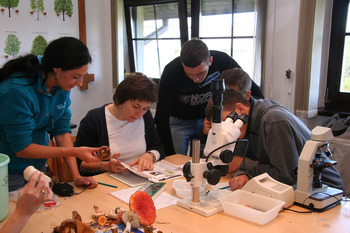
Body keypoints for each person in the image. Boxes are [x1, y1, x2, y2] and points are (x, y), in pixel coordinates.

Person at [0, 37, 101, 192]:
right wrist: (75, 151)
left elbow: (61, 130)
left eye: (82, 76)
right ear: (57, 69)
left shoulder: (60, 86)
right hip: (10, 171)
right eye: (76, 77)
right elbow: (22, 148)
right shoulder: (16, 91)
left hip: (38, 166)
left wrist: (76, 176)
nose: (80, 83)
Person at [205, 89, 344, 191]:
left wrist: (242, 164)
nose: (225, 129)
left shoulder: (273, 121)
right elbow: (241, 162)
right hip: (289, 190)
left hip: (323, 192)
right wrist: (242, 175)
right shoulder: (242, 126)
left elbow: (286, 177)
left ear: (239, 108)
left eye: (225, 121)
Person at [154, 39, 263, 156]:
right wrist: (168, 153)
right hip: (179, 121)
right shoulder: (171, 71)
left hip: (206, 119)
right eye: (189, 74)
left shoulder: (223, 61)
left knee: (204, 157)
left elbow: (249, 86)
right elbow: (161, 114)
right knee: (176, 159)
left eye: (200, 73)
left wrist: (260, 114)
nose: (195, 79)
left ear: (210, 61)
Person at [74, 72, 164, 176]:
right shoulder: (94, 119)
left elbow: (157, 146)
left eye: (145, 109)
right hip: (106, 182)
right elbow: (79, 164)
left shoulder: (145, 115)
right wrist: (106, 166)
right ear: (120, 100)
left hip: (138, 177)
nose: (139, 113)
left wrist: (149, 156)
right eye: (135, 107)